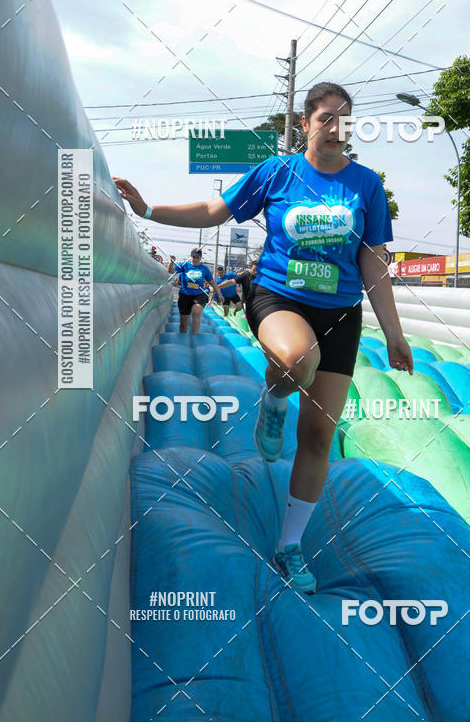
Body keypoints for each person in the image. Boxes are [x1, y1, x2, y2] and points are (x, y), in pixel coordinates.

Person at [113, 81, 413, 594]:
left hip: (341, 313)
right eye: (326, 118)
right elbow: (214, 212)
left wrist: (394, 333)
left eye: (345, 119)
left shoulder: (366, 186)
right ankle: (274, 397)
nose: (336, 128)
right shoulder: (278, 172)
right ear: (305, 123)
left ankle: (290, 545)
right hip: (278, 297)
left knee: (318, 437)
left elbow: (373, 262)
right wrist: (148, 211)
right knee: (298, 358)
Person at [172, 248, 224, 333]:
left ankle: (195, 335)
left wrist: (219, 293)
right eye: (194, 257)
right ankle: (183, 335)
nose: (196, 259)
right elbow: (171, 270)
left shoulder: (204, 268)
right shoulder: (185, 265)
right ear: (191, 257)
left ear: (200, 258)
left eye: (198, 258)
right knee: (183, 324)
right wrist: (172, 262)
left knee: (196, 311)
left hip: (199, 295)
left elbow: (212, 282)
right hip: (185, 295)